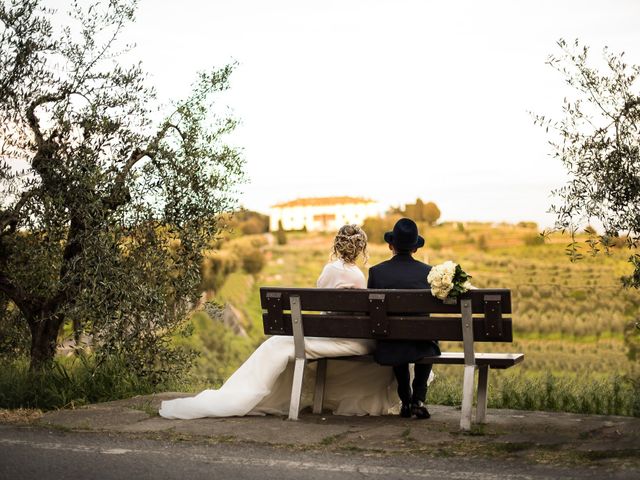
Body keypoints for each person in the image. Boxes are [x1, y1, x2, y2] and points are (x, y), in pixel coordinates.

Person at [159, 224, 397, 419]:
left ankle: (243, 393)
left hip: (329, 334)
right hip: (350, 339)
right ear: (360, 249)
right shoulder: (357, 275)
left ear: (337, 244)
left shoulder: (328, 270)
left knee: (275, 344)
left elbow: (325, 305)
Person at [367, 218, 440, 419]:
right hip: (422, 343)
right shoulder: (429, 273)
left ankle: (406, 400)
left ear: (391, 245)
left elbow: (370, 313)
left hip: (390, 342)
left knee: (395, 333)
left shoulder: (376, 273)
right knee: (428, 336)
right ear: (415, 249)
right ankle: (418, 399)